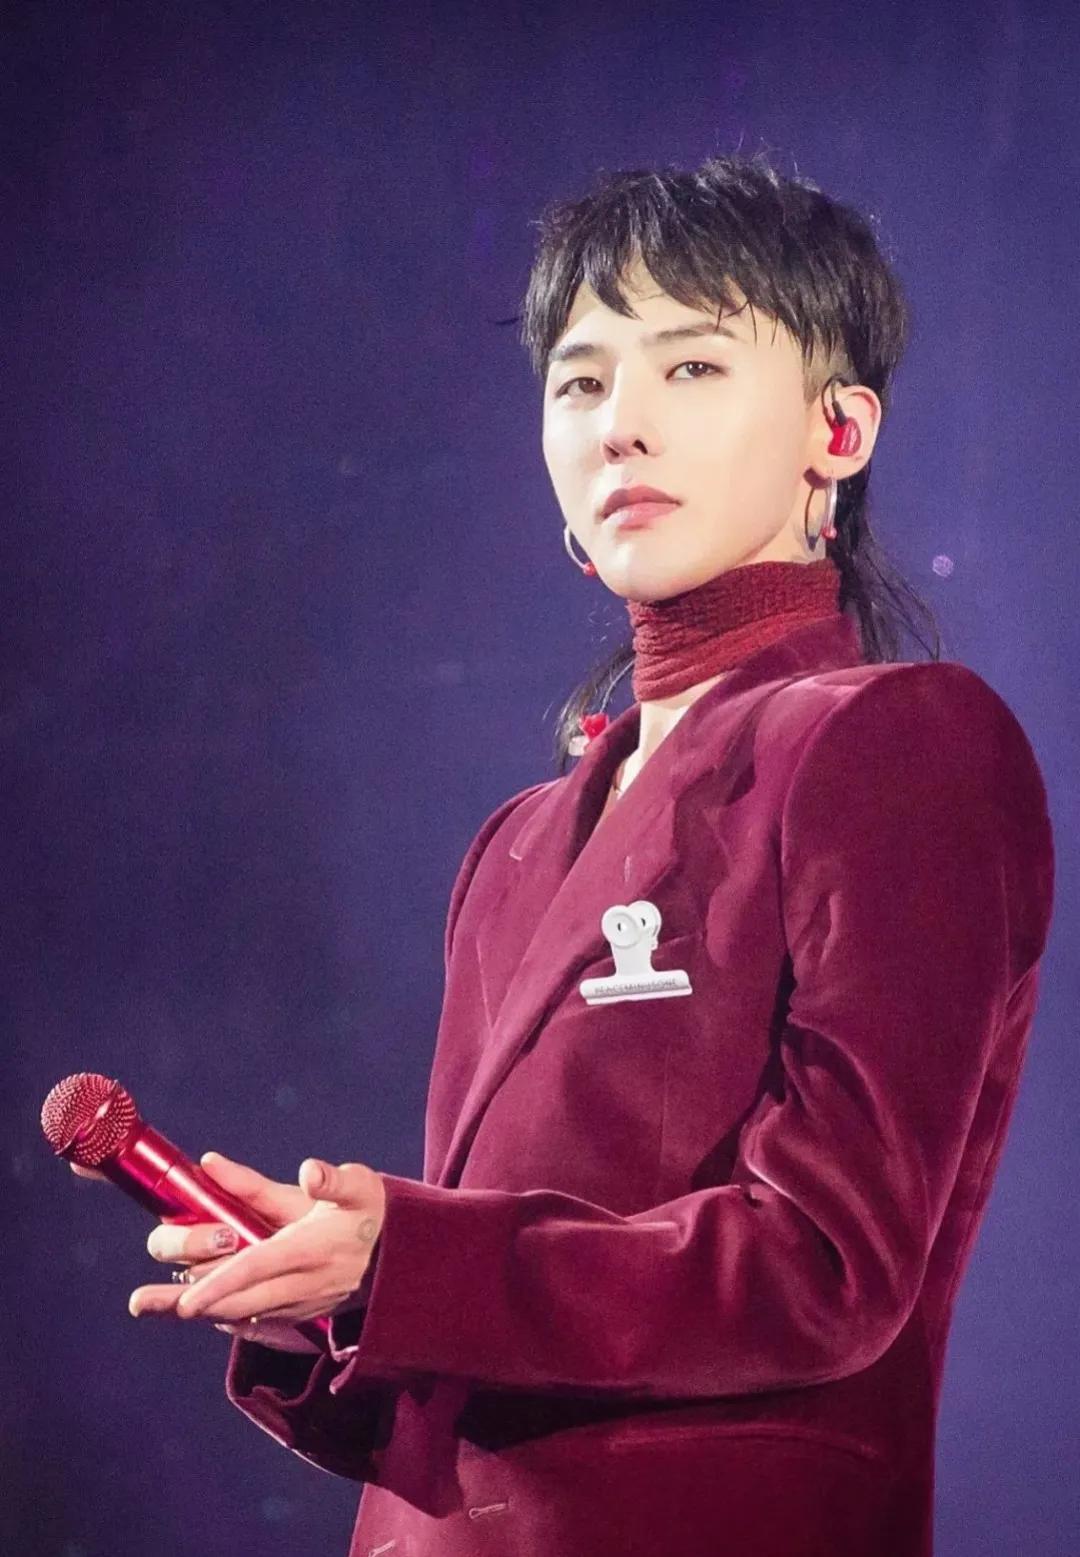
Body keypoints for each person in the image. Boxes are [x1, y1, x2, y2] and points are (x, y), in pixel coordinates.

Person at [115, 153, 1055, 1555]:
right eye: (580, 382)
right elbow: (503, 1332)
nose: (621, 425)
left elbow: (826, 1264)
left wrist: (415, 1258)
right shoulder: (513, 845)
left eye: (692, 367)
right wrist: (334, 1288)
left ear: (840, 428)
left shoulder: (897, 739)